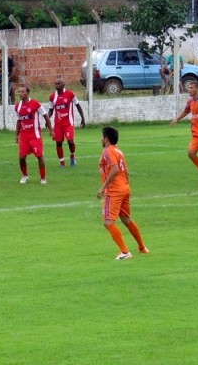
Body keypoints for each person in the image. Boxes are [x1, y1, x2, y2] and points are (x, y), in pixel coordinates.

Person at [97, 126, 148, 260]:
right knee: (126, 219)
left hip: (114, 191)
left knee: (108, 222)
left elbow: (114, 170)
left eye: (102, 136)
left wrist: (103, 188)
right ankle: (142, 248)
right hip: (124, 188)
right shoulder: (118, 150)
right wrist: (126, 186)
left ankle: (125, 252)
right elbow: (126, 171)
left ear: (106, 139)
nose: (100, 139)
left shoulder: (108, 151)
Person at [15, 85, 53, 184]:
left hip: (35, 135)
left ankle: (43, 178)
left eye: (22, 92)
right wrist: (16, 135)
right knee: (21, 157)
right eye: (19, 92)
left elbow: (46, 116)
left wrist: (51, 130)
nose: (20, 94)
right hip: (24, 136)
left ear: (28, 93)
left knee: (40, 156)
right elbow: (19, 121)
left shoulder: (35, 104)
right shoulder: (17, 106)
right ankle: (24, 175)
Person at [48, 79, 86, 167]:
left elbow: (78, 105)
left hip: (68, 123)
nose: (56, 85)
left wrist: (83, 118)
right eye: (55, 84)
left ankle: (72, 156)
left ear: (63, 85)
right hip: (58, 124)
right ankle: (62, 163)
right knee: (58, 143)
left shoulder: (70, 94)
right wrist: (48, 119)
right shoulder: (52, 97)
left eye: (58, 84)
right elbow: (51, 110)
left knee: (70, 141)